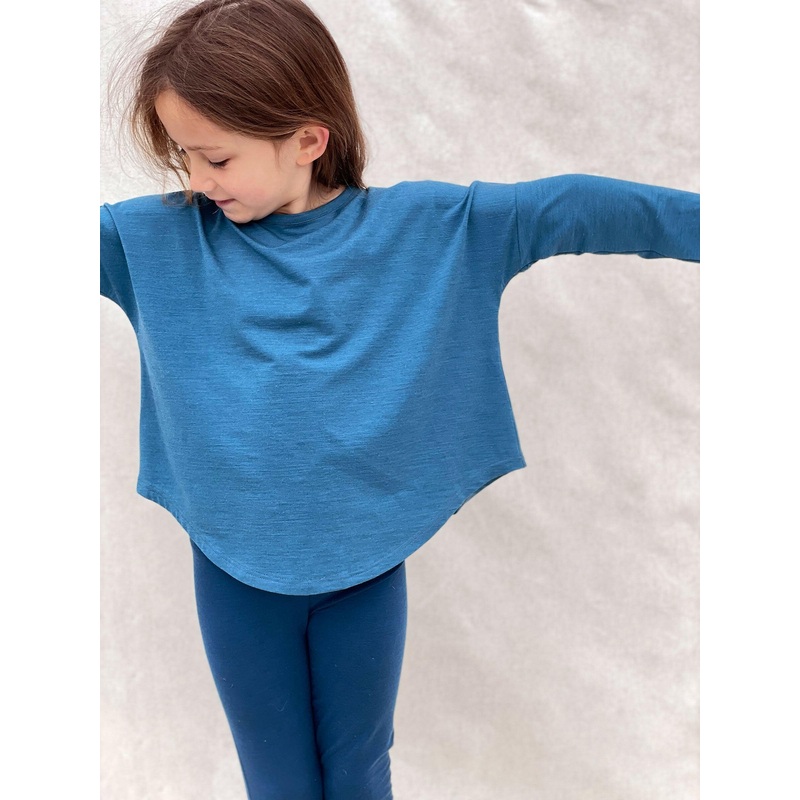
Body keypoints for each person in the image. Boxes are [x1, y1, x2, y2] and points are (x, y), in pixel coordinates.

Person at [100, 0, 700, 797]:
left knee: (359, 772)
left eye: (215, 158)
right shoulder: (153, 241)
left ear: (308, 140)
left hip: (364, 571)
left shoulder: (427, 228)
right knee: (277, 782)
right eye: (183, 156)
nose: (197, 181)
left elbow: (568, 208)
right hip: (234, 573)